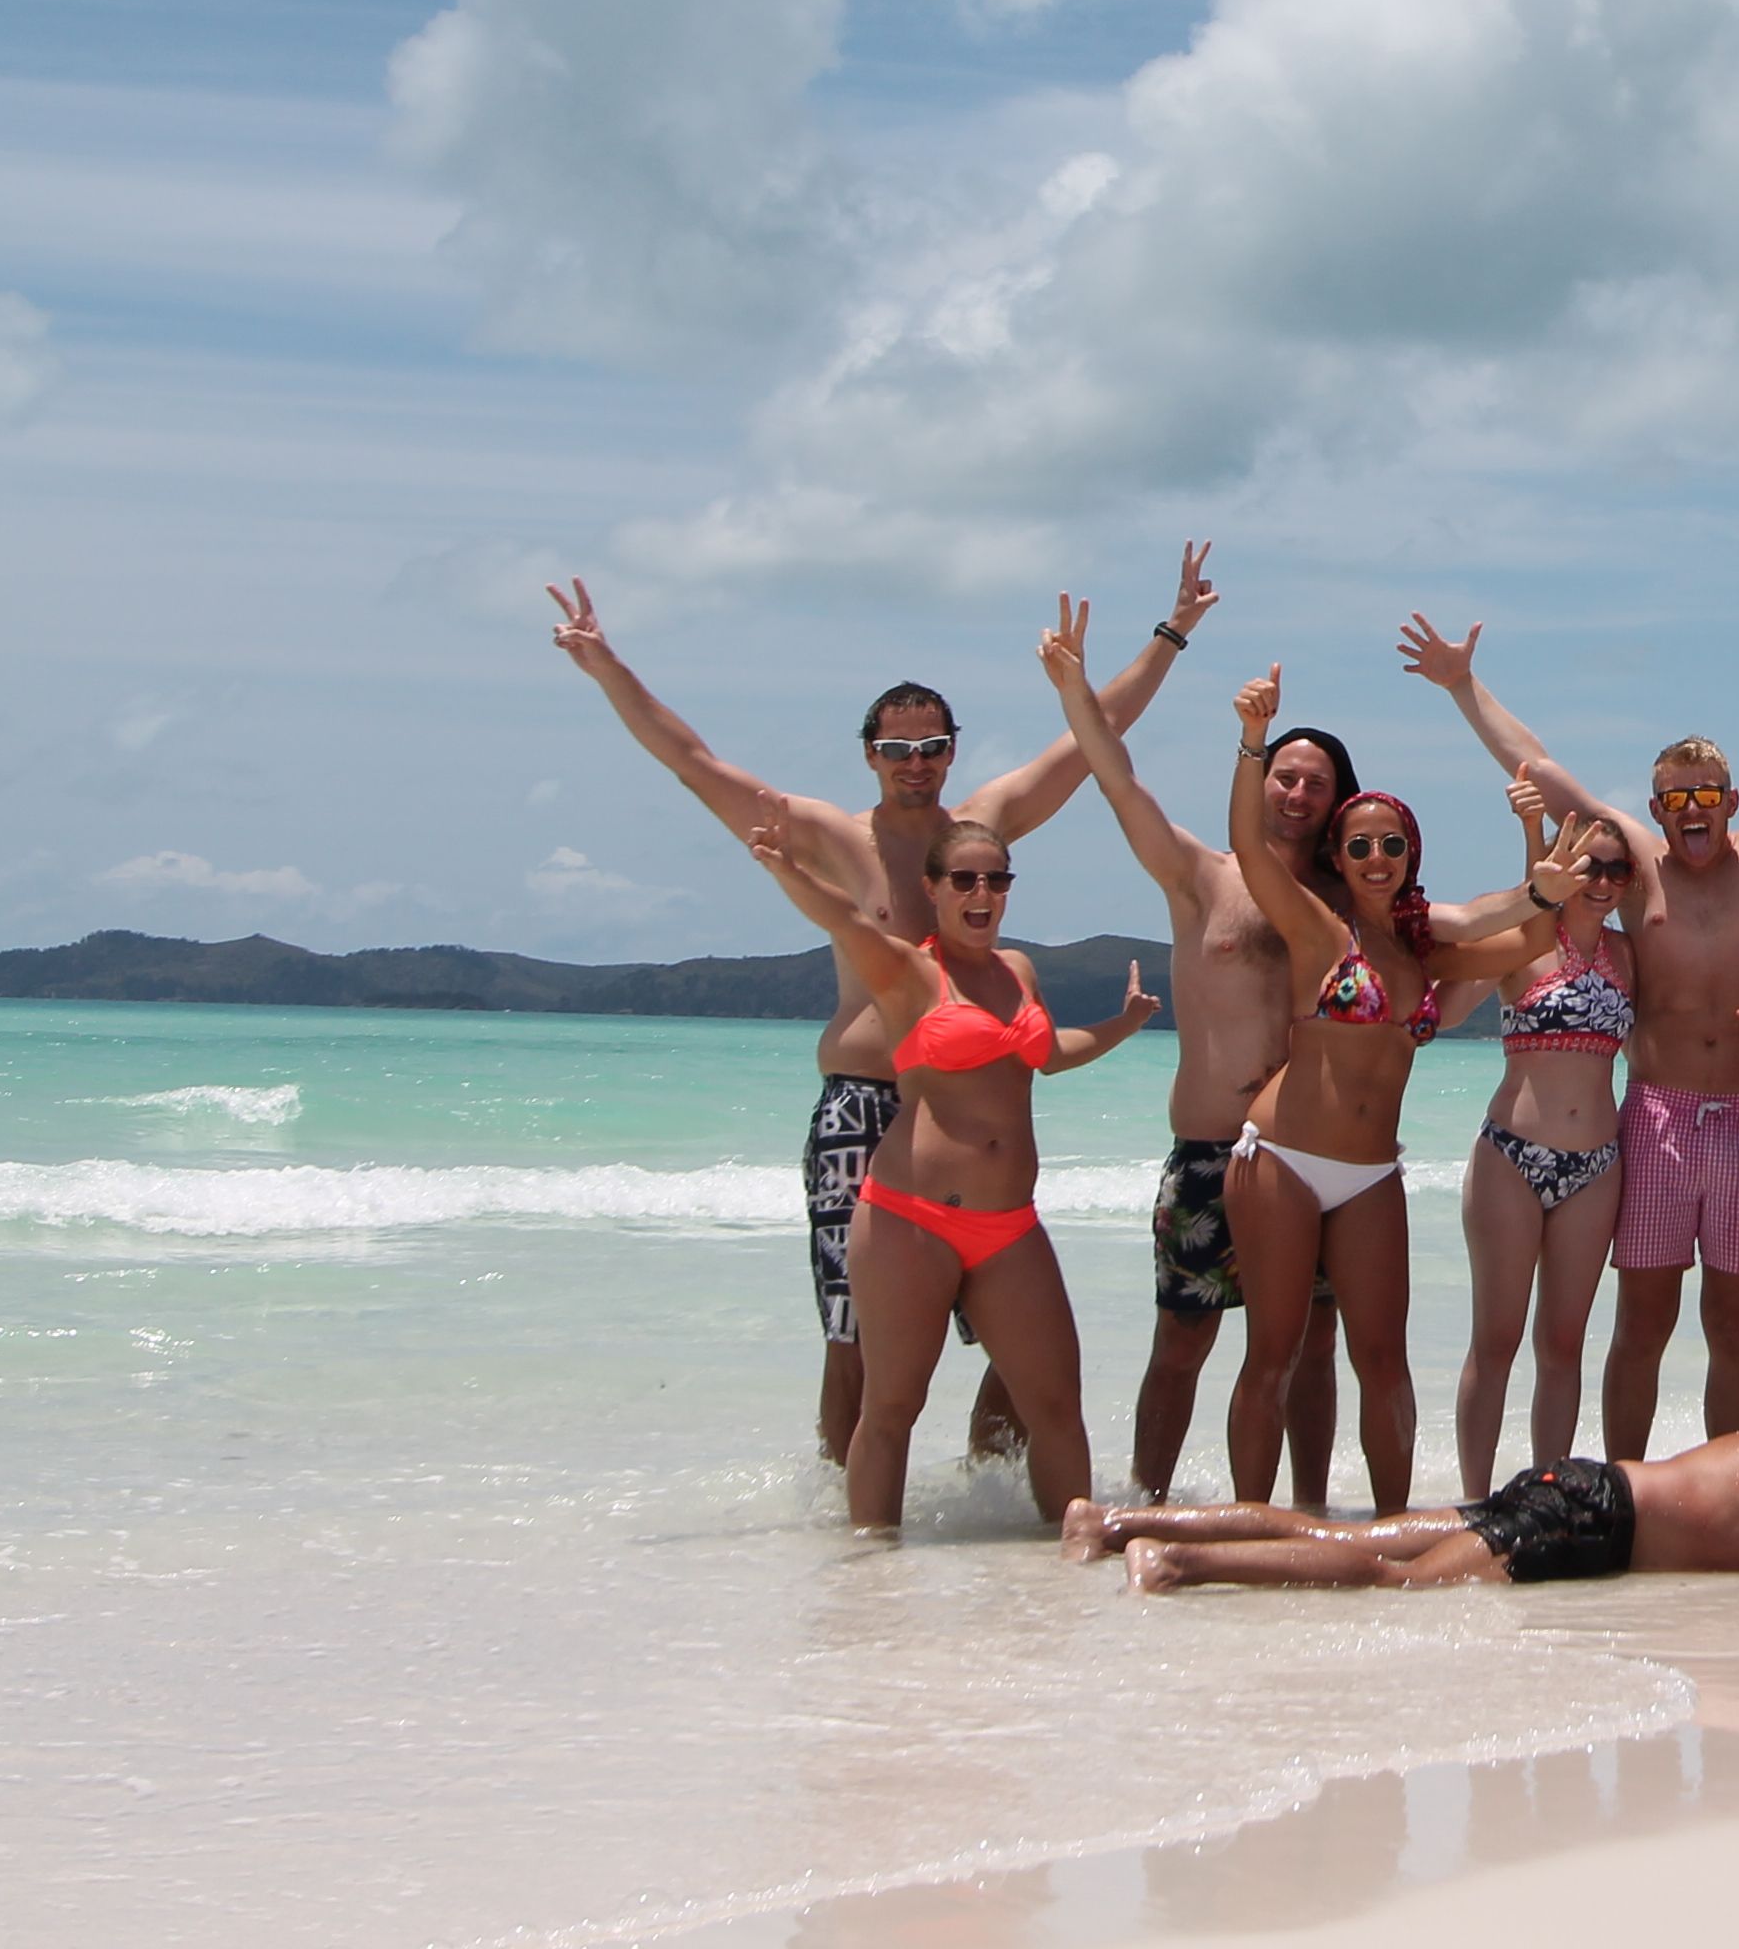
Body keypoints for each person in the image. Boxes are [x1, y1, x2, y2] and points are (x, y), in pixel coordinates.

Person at [546, 573, 1172, 1464]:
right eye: (896, 748)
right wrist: (608, 668)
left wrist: (1170, 633)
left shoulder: (978, 838)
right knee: (856, 1340)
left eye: (931, 747)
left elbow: (1092, 738)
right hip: (865, 1110)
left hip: (970, 1110)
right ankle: (852, 1535)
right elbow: (694, 762)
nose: (915, 763)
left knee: (1017, 1335)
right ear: (870, 756)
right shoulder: (833, 839)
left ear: (953, 753)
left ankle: (989, 1495)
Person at [1396, 561, 1739, 1456]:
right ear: (1657, 807)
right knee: (1641, 1319)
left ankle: (1719, 1483)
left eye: (1709, 796)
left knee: (1735, 1322)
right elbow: (1539, 767)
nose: (1694, 811)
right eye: (1677, 797)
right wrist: (1464, 686)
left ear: (1730, 802)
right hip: (1655, 1117)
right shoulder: (1633, 861)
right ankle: (1626, 1485)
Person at [1206, 664, 1606, 1513]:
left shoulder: (1430, 956)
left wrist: (1536, 852)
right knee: (1271, 1352)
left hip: (1370, 1174)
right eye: (1358, 846)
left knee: (1382, 1359)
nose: (1376, 857)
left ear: (1410, 855)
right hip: (1279, 1158)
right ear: (1337, 859)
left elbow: (1525, 930)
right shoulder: (1319, 932)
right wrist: (1251, 744)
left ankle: (1390, 1530)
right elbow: (1247, 847)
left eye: (1392, 844)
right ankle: (1250, 1527)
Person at [738, 803, 1156, 1529]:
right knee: (893, 1406)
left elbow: (1049, 1055)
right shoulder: (907, 971)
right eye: (964, 880)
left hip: (1008, 1226)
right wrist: (786, 869)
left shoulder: (1018, 969)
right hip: (911, 1218)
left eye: (996, 880)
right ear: (931, 890)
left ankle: (1072, 1570)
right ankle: (869, 1573)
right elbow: (844, 919)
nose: (982, 894)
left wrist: (1124, 1024)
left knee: (1055, 1404)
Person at [1029, 574, 1347, 1502]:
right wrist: (1075, 691)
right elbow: (1115, 780)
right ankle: (1146, 1505)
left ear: (1337, 804)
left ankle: (1310, 1514)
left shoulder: (1342, 904)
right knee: (1184, 1341)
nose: (1295, 793)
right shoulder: (1200, 878)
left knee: (1311, 1347)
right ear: (1257, 777)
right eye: (1284, 776)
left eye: (1314, 784)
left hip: (1312, 1154)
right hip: (1209, 1150)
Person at [1063, 1346, 1739, 1588]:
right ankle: (1182, 1563)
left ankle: (1115, 1523)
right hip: (1590, 1523)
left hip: (1584, 1485)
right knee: (1389, 1577)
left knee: (1354, 1534)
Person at [1451, 778, 1636, 1498]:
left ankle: (1545, 1498)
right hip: (1511, 1156)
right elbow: (1439, 1002)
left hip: (1597, 1163)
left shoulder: (1629, 958)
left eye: (1617, 870)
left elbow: (1674, 1037)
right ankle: (1473, 1501)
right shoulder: (1524, 945)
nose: (1602, 882)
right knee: (1495, 1343)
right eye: (1589, 866)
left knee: (1562, 1346)